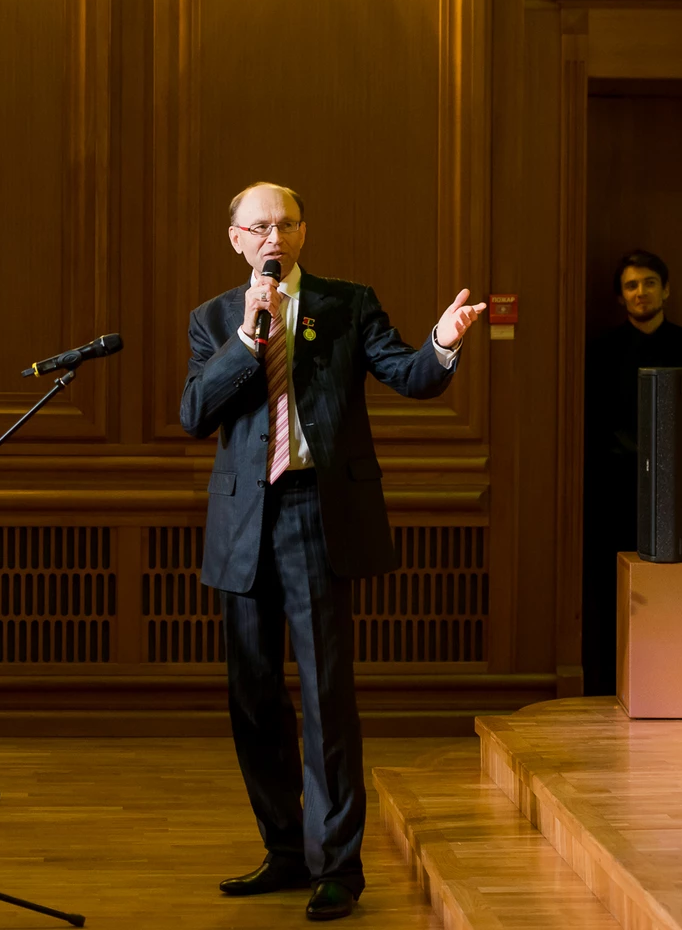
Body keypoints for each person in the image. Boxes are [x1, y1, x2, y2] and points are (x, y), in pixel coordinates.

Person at [180, 183, 485, 922]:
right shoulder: (214, 318)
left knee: (325, 694)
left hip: (315, 512)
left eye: (285, 223)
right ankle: (284, 848)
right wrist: (247, 338)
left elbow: (408, 375)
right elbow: (194, 414)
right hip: (243, 520)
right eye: (259, 226)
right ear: (236, 239)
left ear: (303, 232)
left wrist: (442, 342)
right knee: (253, 699)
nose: (273, 237)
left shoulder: (346, 304)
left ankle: (336, 866)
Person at [581, 251, 682, 695]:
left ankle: (674, 684)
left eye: (650, 283)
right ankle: (608, 685)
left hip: (676, 491)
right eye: (631, 286)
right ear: (621, 297)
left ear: (666, 289)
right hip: (613, 489)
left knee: (673, 590)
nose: (641, 293)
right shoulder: (600, 352)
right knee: (612, 592)